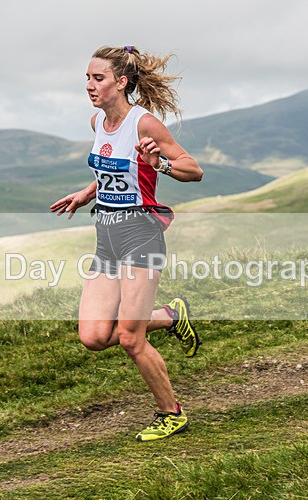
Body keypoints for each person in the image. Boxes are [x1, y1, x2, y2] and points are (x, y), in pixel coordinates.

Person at [50, 45, 203, 442]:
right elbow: (113, 170)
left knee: (130, 338)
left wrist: (161, 165)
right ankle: (171, 315)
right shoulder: (97, 122)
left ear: (121, 82)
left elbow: (194, 169)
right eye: (87, 77)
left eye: (97, 78)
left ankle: (171, 413)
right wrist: (89, 192)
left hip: (141, 235)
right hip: (107, 238)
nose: (89, 85)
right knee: (95, 336)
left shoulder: (145, 124)